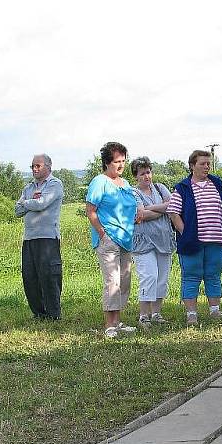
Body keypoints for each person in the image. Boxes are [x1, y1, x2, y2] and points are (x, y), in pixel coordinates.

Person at [166, 150, 222, 325]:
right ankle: (191, 314)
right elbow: (174, 213)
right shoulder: (182, 188)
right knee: (191, 275)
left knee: (213, 274)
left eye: (208, 163)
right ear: (192, 166)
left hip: (216, 240)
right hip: (192, 242)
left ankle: (215, 310)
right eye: (202, 164)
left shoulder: (217, 185)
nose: (207, 167)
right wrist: (186, 233)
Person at [85, 142, 141, 338]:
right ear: (107, 163)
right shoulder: (99, 182)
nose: (121, 165)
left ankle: (118, 322)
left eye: (123, 161)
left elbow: (131, 204)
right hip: (108, 237)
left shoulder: (125, 183)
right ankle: (109, 324)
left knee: (124, 280)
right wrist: (101, 232)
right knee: (112, 281)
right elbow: (90, 210)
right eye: (117, 161)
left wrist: (137, 213)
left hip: (126, 237)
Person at [15, 153, 64, 320]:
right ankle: (38, 312)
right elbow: (17, 211)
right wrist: (31, 202)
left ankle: (53, 313)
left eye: (38, 166)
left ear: (48, 167)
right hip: (29, 238)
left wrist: (27, 203)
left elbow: (42, 203)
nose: (34, 169)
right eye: (32, 166)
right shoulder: (28, 188)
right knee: (30, 276)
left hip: (48, 237)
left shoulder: (55, 184)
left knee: (49, 275)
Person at [129, 156, 175, 329]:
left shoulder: (160, 188)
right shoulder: (133, 193)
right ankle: (143, 315)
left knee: (162, 278)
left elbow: (173, 206)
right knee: (149, 276)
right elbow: (140, 215)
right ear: (136, 176)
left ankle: (156, 313)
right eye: (142, 174)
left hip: (164, 239)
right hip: (143, 242)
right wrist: (161, 209)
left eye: (148, 172)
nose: (146, 176)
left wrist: (150, 209)